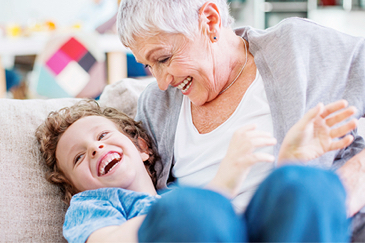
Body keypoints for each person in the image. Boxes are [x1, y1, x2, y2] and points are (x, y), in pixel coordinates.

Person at [117, 0, 365, 241]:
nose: (161, 82)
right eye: (149, 67)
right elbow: (138, 195)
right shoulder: (155, 104)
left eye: (163, 59)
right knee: (185, 210)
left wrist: (351, 181)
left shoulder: (295, 47)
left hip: (300, 226)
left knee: (299, 188)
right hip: (205, 234)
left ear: (210, 21)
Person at [36, 99, 356, 242]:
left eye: (103, 136)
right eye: (78, 158)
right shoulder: (91, 208)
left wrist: (289, 159)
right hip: (186, 217)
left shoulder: (177, 188)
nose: (94, 149)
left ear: (142, 147)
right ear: (76, 189)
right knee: (188, 211)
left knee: (304, 185)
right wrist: (218, 188)